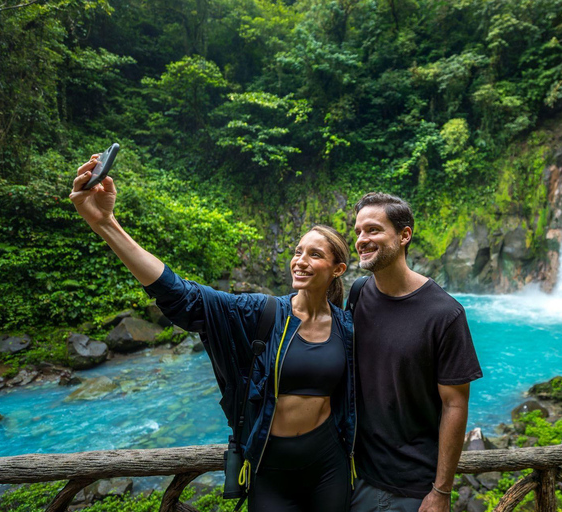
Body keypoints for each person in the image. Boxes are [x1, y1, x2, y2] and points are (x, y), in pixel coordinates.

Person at [70, 155, 356, 512]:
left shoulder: (347, 327)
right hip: (270, 466)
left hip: (329, 464)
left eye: (314, 255)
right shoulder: (262, 313)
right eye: (297, 252)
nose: (299, 260)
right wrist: (106, 224)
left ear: (337, 269)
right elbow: (184, 296)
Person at [350, 192, 483, 512]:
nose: (362, 239)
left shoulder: (445, 314)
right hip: (353, 474)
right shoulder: (357, 293)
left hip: (410, 487)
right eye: (357, 232)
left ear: (404, 235)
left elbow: (455, 404)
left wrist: (441, 491)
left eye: (373, 230)